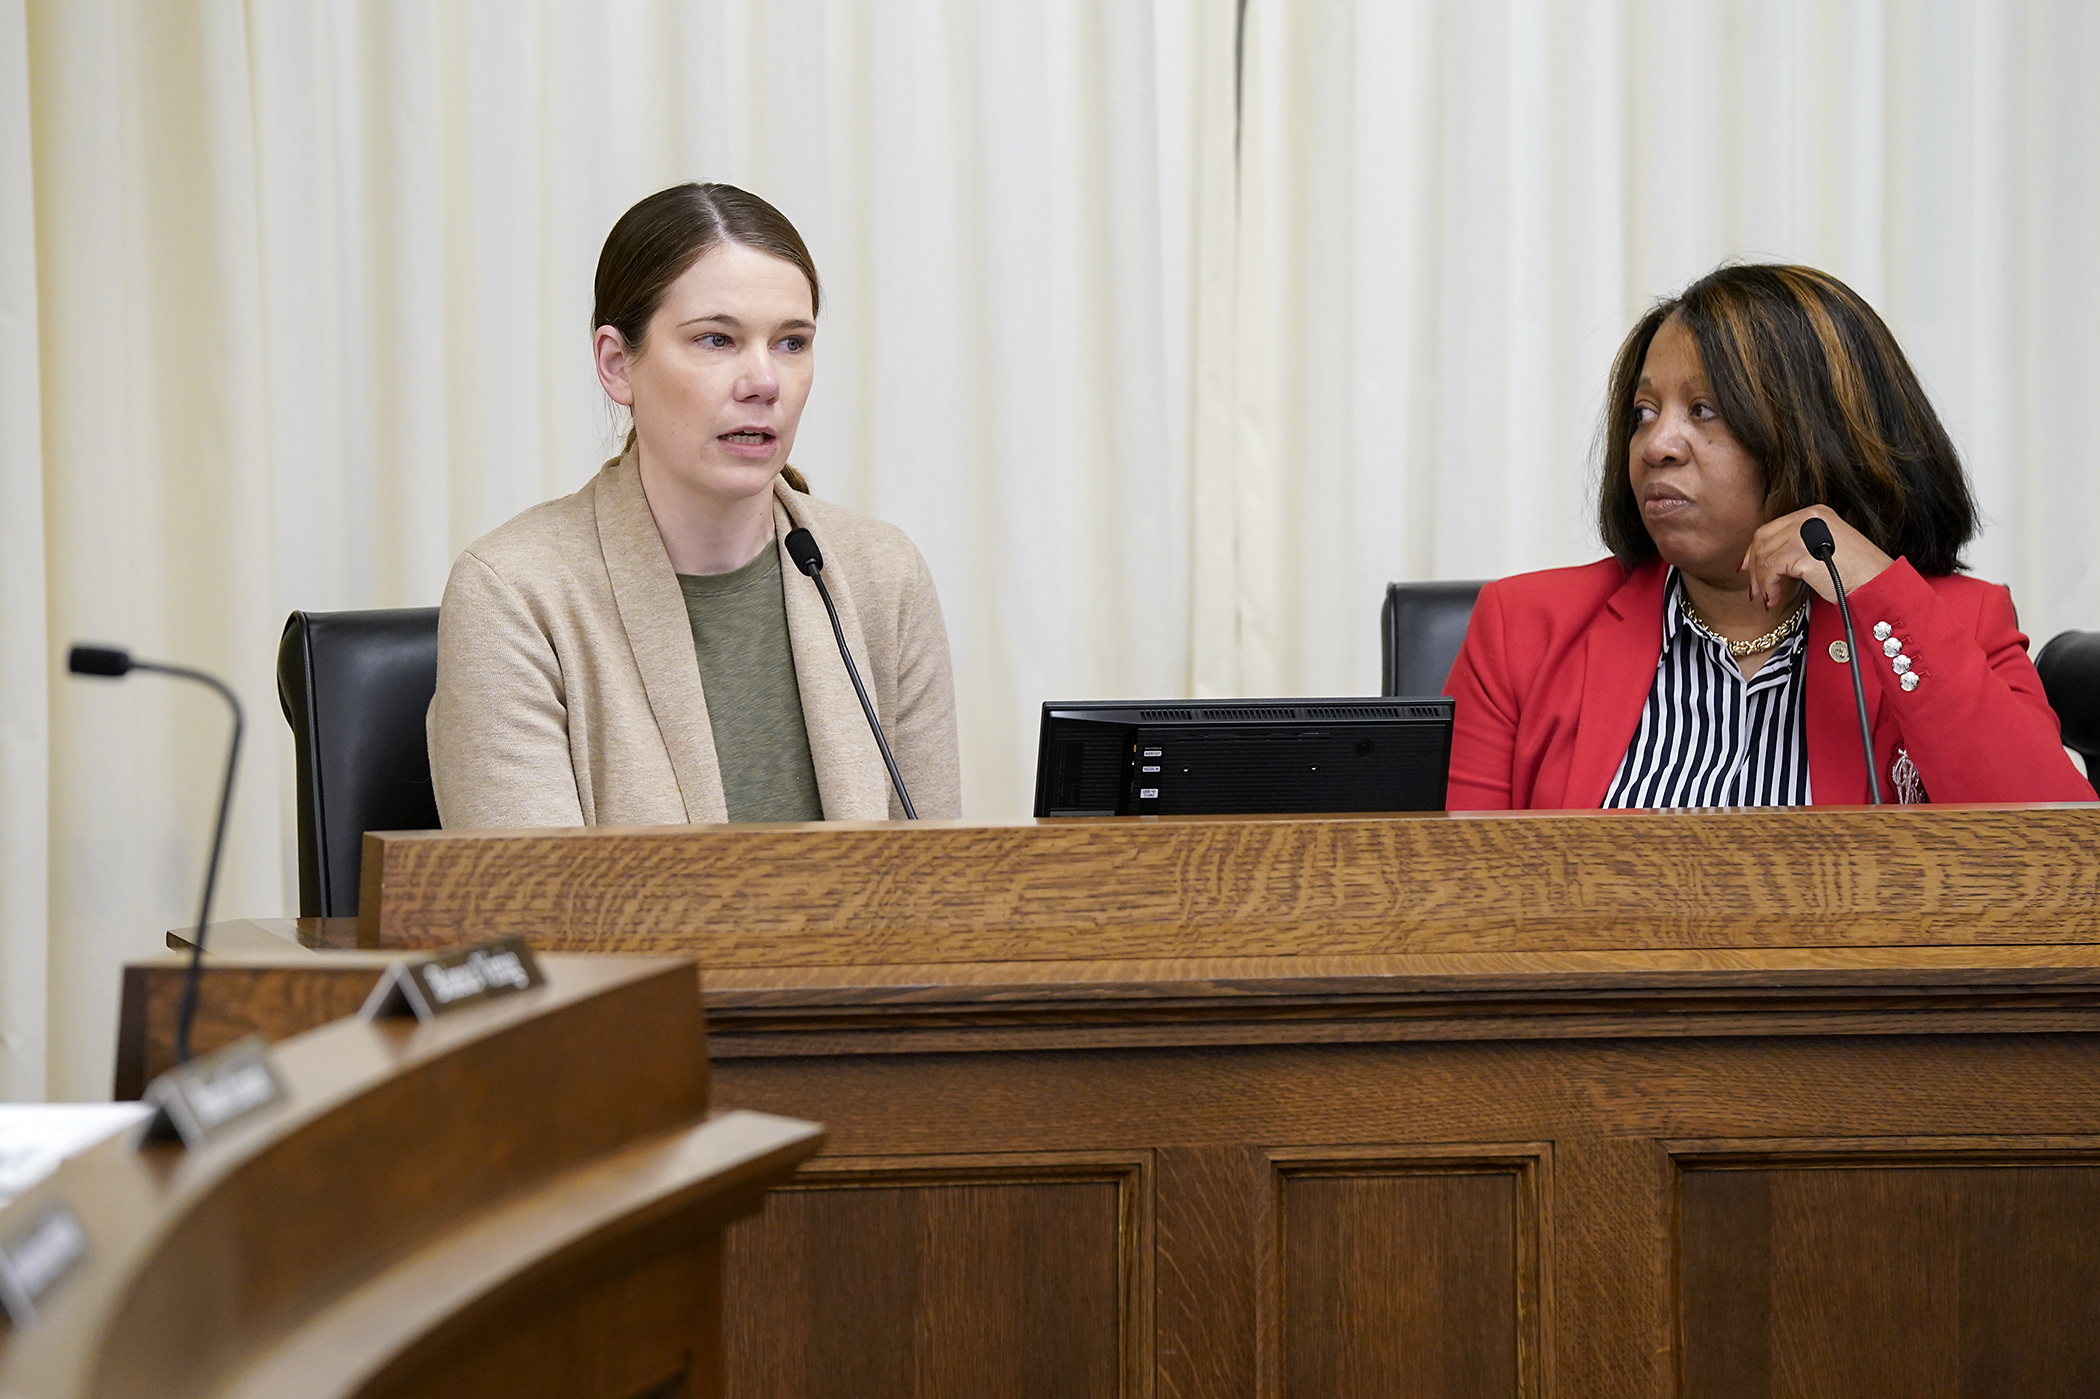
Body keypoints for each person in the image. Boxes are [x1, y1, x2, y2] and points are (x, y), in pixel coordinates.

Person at [1443, 262, 2093, 809]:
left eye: (1705, 410)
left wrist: (1874, 591)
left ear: (1818, 433)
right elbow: (1443, 891)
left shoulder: (1952, 624)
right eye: (1645, 412)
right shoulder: (1522, 629)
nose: (1658, 444)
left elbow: (2060, 861)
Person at [429, 183, 961, 828]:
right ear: (618, 364)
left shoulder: (883, 574)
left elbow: (938, 890)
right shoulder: (515, 592)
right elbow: (533, 916)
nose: (765, 382)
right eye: (716, 339)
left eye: (792, 342)